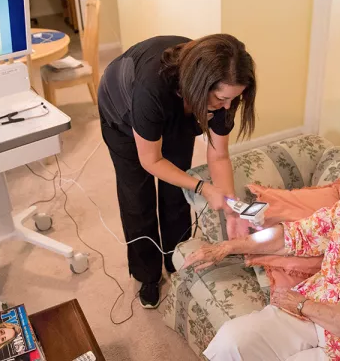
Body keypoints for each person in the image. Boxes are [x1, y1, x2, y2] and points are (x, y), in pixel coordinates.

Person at [182, 132, 340, 361]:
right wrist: (228, 247)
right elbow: (296, 235)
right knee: (234, 340)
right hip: (313, 309)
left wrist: (303, 306)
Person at [98, 34, 257, 308]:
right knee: (137, 196)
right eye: (222, 98)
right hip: (122, 113)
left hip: (181, 104)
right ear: (200, 86)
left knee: (176, 189)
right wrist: (204, 187)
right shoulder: (151, 90)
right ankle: (146, 274)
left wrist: (230, 203)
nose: (229, 106)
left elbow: (219, 155)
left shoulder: (225, 93)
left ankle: (175, 257)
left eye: (234, 99)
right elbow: (151, 161)